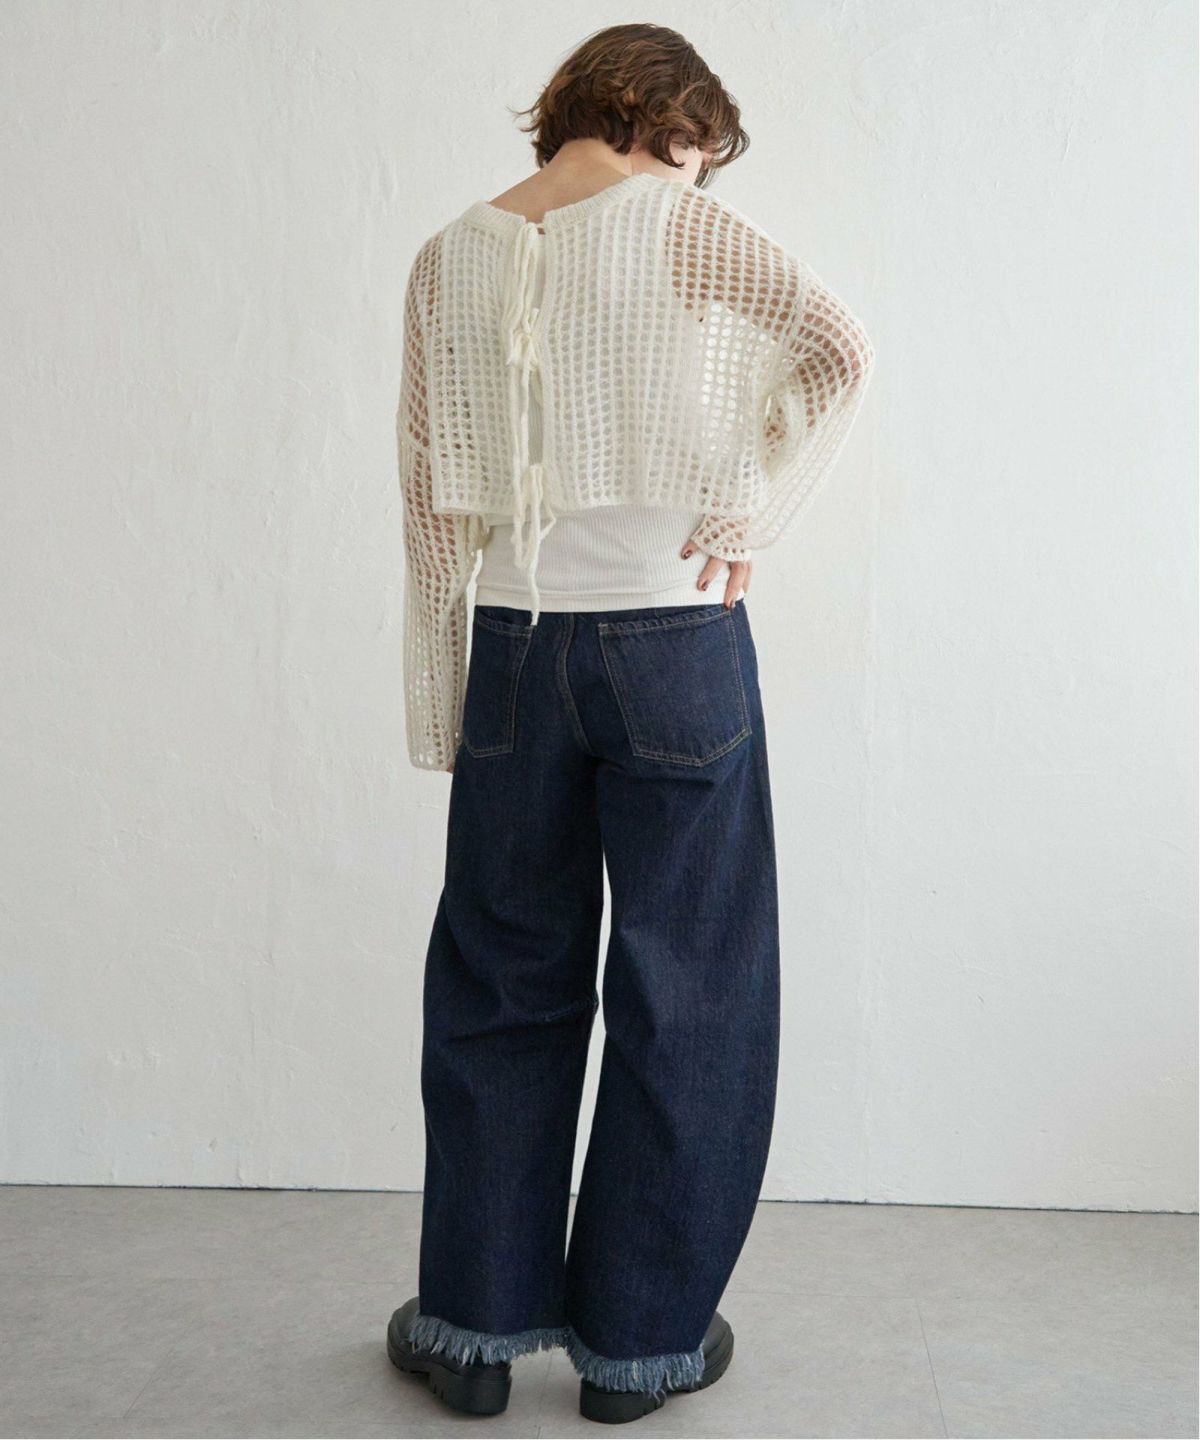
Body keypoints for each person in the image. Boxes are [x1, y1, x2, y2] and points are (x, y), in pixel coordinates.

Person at [387, 22, 876, 1425]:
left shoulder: (448, 255)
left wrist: (445, 687)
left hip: (514, 646)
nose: (699, 177)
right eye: (700, 152)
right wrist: (748, 515)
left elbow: (426, 495)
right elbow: (840, 350)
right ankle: (640, 1347)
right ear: (669, 121)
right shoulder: (677, 221)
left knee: (499, 979)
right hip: (674, 643)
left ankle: (473, 1334)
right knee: (692, 987)